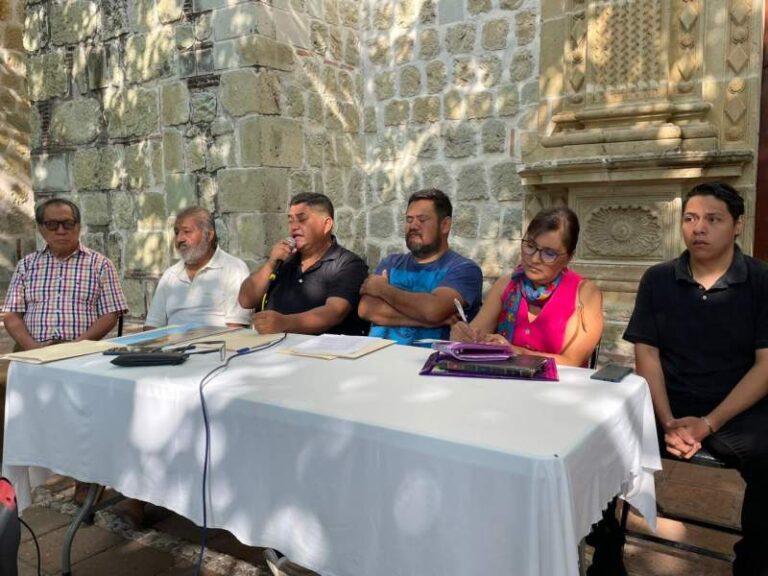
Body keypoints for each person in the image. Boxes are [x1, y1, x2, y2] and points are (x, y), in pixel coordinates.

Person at [624, 182, 768, 576]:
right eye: (690, 218)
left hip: (736, 408)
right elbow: (647, 354)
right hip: (668, 403)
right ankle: (604, 550)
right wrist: (667, 420)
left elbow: (765, 366)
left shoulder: (761, 280)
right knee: (597, 437)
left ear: (738, 225)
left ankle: (753, 563)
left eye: (713, 219)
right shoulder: (658, 279)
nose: (698, 228)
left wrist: (708, 423)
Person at [450, 206, 603, 368]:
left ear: (568, 258)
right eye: (530, 245)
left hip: (558, 382)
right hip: (504, 379)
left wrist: (516, 352)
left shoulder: (584, 294)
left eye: (549, 253)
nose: (535, 259)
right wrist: (462, 336)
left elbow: (573, 362)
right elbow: (475, 336)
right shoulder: (507, 285)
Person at [358, 188, 482, 345]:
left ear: (445, 225)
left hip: (430, 359)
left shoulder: (464, 269)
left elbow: (433, 310)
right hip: (376, 356)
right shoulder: (390, 263)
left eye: (422, 220)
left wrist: (383, 289)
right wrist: (427, 322)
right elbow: (366, 309)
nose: (413, 226)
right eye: (409, 220)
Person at [3, 198, 127, 350]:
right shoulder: (26, 265)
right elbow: (12, 315)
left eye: (68, 224)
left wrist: (75, 347)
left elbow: (110, 314)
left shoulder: (100, 265)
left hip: (82, 352)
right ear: (41, 228)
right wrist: (33, 347)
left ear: (78, 226)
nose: (61, 231)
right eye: (52, 225)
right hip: (33, 350)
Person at [238, 192, 368, 335]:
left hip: (322, 347)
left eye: (302, 220)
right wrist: (270, 264)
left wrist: (284, 323)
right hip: (273, 344)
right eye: (290, 220)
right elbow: (245, 301)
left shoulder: (348, 264)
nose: (294, 227)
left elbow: (334, 312)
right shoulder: (284, 260)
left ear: (326, 225)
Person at [145, 206, 251, 329]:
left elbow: (235, 329)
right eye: (177, 232)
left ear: (209, 235)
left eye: (187, 232)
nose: (179, 239)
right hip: (173, 341)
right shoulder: (171, 275)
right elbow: (152, 326)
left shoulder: (233, 269)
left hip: (218, 341)